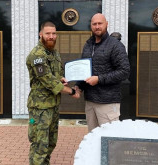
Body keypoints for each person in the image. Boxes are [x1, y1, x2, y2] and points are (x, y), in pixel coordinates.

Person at [26, 21, 79, 165]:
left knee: (50, 143)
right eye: (48, 33)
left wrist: (61, 78)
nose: (51, 36)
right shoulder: (37, 54)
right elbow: (48, 80)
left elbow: (55, 75)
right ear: (40, 34)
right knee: (39, 145)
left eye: (54, 33)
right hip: (40, 108)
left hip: (53, 105)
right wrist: (71, 91)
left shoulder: (54, 52)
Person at [75, 13, 130, 132]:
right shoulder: (88, 45)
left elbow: (124, 71)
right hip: (90, 101)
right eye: (94, 24)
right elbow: (84, 70)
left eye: (100, 23)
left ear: (106, 24)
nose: (97, 26)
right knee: (93, 138)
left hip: (108, 103)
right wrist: (78, 86)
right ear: (91, 26)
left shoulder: (116, 46)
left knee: (109, 140)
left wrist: (99, 79)